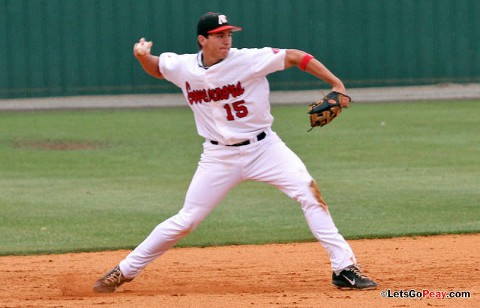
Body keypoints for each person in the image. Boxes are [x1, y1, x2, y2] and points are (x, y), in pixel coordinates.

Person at [93, 12, 377, 293]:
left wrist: (336, 84)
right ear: (202, 40)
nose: (226, 40)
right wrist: (142, 56)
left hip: (265, 148)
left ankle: (344, 269)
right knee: (187, 219)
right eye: (219, 35)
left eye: (229, 34)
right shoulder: (183, 66)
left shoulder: (248, 60)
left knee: (309, 193)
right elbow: (157, 67)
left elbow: (295, 56)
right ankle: (123, 271)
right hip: (218, 157)